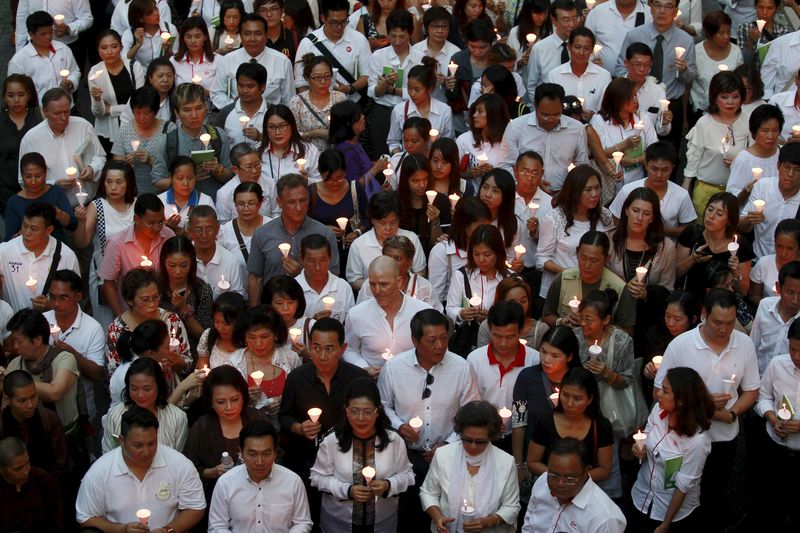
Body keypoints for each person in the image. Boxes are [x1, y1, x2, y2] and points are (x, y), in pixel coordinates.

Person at [654, 289, 760, 532]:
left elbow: (751, 390)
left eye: (730, 323)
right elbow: (659, 391)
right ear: (703, 315)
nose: (724, 330)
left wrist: (731, 414)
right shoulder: (681, 345)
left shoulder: (743, 344)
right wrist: (702, 404)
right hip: (685, 437)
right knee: (680, 491)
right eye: (717, 322)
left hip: (723, 437)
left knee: (714, 492)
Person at [378, 309, 480, 529]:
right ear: (415, 340)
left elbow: (470, 411)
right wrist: (399, 426)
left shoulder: (461, 367)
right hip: (406, 457)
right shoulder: (394, 368)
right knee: (410, 515)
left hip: (450, 456)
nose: (440, 346)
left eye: (444, 338)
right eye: (432, 340)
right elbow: (384, 406)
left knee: (445, 513)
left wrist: (448, 444)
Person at [280, 318, 368, 524]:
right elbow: (284, 416)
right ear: (310, 346)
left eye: (329, 349)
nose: (322, 355)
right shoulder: (296, 378)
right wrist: (299, 427)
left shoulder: (358, 378)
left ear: (343, 348)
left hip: (347, 458)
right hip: (306, 458)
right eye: (316, 348)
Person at [310, 377, 415, 531]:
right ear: (346, 410)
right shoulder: (332, 440)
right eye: (354, 411)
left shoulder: (393, 440)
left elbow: (408, 476)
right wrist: (347, 490)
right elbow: (317, 478)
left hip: (382, 521)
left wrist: (388, 485)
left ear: (377, 411)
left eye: (367, 412)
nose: (360, 418)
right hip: (339, 521)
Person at [78, 406, 205, 530]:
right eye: (138, 445)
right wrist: (122, 530)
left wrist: (168, 530)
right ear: (122, 441)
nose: (146, 452)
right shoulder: (99, 472)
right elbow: (86, 518)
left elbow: (195, 507)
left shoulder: (180, 464)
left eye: (151, 443)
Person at [420, 400, 520, 532]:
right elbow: (428, 492)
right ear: (460, 433)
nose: (473, 446)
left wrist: (488, 522)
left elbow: (511, 506)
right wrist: (438, 516)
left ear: (491, 437)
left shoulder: (505, 462)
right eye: (467, 440)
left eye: (480, 442)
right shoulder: (444, 454)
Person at [614, 0, 697, 152]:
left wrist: (684, 70)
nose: (662, 11)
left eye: (668, 6)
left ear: (675, 10)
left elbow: (690, 78)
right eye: (658, 5)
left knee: (668, 153)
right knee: (634, 150)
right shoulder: (635, 35)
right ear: (650, 8)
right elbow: (620, 67)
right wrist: (636, 78)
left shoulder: (685, 40)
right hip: (636, 100)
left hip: (670, 104)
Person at [247, 173, 339, 302]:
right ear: (279, 202)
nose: (299, 207)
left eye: (302, 200)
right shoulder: (262, 234)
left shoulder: (324, 234)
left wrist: (303, 272)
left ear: (309, 199)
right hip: (273, 310)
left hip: (313, 305)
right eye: (291, 202)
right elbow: (255, 277)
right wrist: (256, 313)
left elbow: (334, 275)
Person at [208, 419, 313, 531]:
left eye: (266, 454)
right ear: (241, 453)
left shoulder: (293, 481)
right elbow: (217, 526)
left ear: (275, 453)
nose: (259, 462)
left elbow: (302, 522)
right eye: (252, 454)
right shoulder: (226, 483)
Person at [511, 326, 582, 485]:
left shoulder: (580, 381)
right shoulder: (527, 377)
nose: (546, 359)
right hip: (535, 461)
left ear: (569, 356)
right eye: (543, 352)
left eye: (555, 355)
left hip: (571, 462)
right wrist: (519, 465)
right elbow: (518, 423)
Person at [467, 301, 540, 450]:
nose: (503, 343)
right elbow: (471, 400)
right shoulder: (475, 360)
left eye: (510, 337)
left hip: (521, 435)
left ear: (521, 331)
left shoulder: (534, 360)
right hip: (484, 435)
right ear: (489, 329)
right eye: (497, 336)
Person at [185, 365, 263, 501]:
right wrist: (212, 472)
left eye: (234, 400)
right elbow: (189, 469)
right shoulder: (201, 427)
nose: (229, 407)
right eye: (221, 402)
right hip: (216, 496)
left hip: (258, 493)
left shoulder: (256, 419)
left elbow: (276, 455)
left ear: (244, 397)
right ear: (211, 403)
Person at [74, 161, 137, 329]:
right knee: (108, 326)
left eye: (119, 182)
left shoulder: (137, 206)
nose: (113, 187)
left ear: (128, 183)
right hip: (105, 277)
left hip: (133, 275)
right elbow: (82, 242)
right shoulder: (98, 206)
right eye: (108, 182)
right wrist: (81, 223)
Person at [536, 166, 613, 301]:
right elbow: (541, 259)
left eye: (597, 188)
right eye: (588, 190)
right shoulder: (554, 219)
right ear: (575, 192)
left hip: (593, 291)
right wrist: (570, 274)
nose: (594, 194)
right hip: (560, 288)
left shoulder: (605, 215)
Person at [526, 366, 613, 486]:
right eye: (565, 395)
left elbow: (605, 470)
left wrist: (575, 480)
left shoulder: (601, 426)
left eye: (577, 398)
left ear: (589, 399)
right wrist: (558, 479)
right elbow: (532, 462)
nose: (569, 403)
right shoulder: (545, 421)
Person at [345, 256, 432, 375]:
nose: (377, 290)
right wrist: (363, 368)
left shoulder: (423, 311)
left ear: (399, 281)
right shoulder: (356, 314)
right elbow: (349, 349)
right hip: (372, 386)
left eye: (384, 284)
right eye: (372, 284)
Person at [521, 437, 627, 532]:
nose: (560, 483)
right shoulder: (542, 482)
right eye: (554, 475)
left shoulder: (605, 518)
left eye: (569, 478)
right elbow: (529, 525)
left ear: (586, 473)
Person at [18, 88, 105, 202]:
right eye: (57, 113)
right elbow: (22, 179)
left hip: (88, 203)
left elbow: (100, 156)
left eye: (67, 111)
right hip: (51, 206)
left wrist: (92, 168)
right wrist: (52, 185)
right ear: (44, 112)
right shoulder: (31, 139)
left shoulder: (83, 126)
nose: (64, 118)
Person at [499, 83, 589, 194]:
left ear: (562, 107)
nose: (551, 119)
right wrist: (532, 181)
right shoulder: (516, 127)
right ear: (534, 106)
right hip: (526, 193)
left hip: (563, 194)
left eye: (556, 114)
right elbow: (505, 165)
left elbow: (582, 167)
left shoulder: (577, 128)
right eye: (545, 114)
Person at [43, 270, 106, 427]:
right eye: (52, 297)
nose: (56, 304)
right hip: (45, 410)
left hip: (81, 411)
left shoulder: (93, 328)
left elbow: (97, 373)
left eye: (63, 298)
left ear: (78, 296)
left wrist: (71, 353)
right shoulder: (42, 321)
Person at [683, 72, 750, 217]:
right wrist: (685, 188)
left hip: (736, 192)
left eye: (735, 96)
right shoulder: (704, 123)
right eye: (724, 97)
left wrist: (738, 163)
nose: (730, 102)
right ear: (714, 97)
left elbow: (754, 155)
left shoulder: (748, 121)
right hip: (706, 191)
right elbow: (694, 158)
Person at [541, 230, 636, 332]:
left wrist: (601, 327)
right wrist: (561, 321)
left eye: (594, 260)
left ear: (606, 259)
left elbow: (628, 331)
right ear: (577, 252)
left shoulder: (619, 288)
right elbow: (546, 316)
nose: (587, 265)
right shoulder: (563, 279)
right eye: (583, 258)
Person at [755, 318, 800, 528]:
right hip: (776, 449)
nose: (796, 357)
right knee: (771, 504)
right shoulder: (778, 364)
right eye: (792, 349)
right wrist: (772, 418)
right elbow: (762, 397)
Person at [151, 84, 233, 199]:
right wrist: (186, 178)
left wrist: (218, 169)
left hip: (213, 204)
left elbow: (230, 176)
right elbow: (157, 182)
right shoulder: (168, 141)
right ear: (176, 113)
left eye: (199, 108)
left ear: (206, 108)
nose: (194, 115)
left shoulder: (217, 136)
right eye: (187, 110)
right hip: (179, 207)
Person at [105, 268, 191, 376]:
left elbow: (187, 363)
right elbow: (114, 371)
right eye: (145, 300)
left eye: (155, 297)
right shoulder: (117, 330)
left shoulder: (171, 321)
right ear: (130, 300)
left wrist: (178, 362)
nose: (152, 304)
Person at [99, 193, 174, 317]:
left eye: (161, 222)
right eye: (151, 223)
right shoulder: (117, 243)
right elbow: (109, 284)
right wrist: (121, 319)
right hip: (130, 312)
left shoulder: (168, 236)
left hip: (163, 310)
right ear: (136, 218)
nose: (156, 228)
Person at [0, 203, 80, 314]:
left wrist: (51, 305)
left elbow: (75, 297)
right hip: (15, 327)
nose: (27, 233)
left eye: (33, 229)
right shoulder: (4, 251)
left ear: (49, 230)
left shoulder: (66, 256)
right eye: (24, 226)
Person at [609, 142, 696, 239]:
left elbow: (688, 229)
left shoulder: (682, 195)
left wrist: (665, 231)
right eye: (654, 169)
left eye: (665, 170)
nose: (659, 175)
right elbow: (616, 221)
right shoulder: (627, 190)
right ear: (646, 165)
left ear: (672, 168)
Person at [102, 357, 189, 453]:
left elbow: (177, 458)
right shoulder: (115, 416)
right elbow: (108, 454)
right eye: (134, 389)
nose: (140, 395)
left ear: (159, 387)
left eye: (147, 389)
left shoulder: (177, 418)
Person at [675, 192, 754, 298]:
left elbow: (743, 291)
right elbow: (675, 274)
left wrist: (735, 271)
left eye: (719, 214)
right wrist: (692, 259)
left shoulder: (741, 245)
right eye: (710, 209)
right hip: (689, 299)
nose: (711, 216)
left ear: (730, 221)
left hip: (721, 305)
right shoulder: (692, 233)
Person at [230, 304, 302, 418]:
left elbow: (301, 391)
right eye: (252, 337)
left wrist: (283, 401)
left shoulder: (291, 358)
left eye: (264, 336)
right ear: (244, 337)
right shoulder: (234, 362)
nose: (258, 344)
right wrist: (244, 398)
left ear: (276, 335)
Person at [345, 191, 427, 290]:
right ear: (372, 220)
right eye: (382, 223)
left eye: (393, 222)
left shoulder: (410, 238)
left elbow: (420, 272)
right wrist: (379, 288)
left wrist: (404, 289)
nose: (388, 228)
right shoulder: (359, 244)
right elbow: (354, 280)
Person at [292, 0, 371, 103]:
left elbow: (367, 74)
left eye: (343, 22)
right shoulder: (308, 43)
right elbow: (301, 84)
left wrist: (350, 88)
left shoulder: (359, 39)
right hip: (317, 104)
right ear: (323, 18)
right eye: (334, 22)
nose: (339, 27)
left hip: (350, 104)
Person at [590, 77, 658, 187]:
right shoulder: (599, 120)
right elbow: (599, 153)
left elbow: (654, 151)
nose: (636, 100)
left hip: (637, 182)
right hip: (608, 184)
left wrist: (634, 161)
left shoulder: (642, 118)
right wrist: (625, 145)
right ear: (618, 100)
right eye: (631, 97)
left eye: (636, 96)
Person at [365, 10, 415, 157]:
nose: (397, 41)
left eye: (402, 36)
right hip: (383, 111)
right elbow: (372, 91)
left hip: (410, 111)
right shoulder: (378, 56)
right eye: (393, 36)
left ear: (410, 34)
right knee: (382, 155)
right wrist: (382, 86)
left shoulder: (419, 58)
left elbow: (421, 91)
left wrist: (392, 90)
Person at [308, 149, 369, 268]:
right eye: (330, 179)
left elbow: (368, 219)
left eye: (340, 177)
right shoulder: (312, 192)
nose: (335, 183)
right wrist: (324, 230)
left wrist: (357, 232)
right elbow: (305, 224)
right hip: (322, 255)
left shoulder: (355, 189)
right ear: (320, 174)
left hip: (352, 253)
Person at [0, 370, 68, 477]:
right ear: (8, 400)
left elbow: (60, 460)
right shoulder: (2, 424)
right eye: (22, 401)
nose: (30, 405)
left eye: (33, 397)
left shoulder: (49, 419)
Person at [739, 142, 800, 259]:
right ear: (778, 166)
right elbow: (742, 225)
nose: (790, 174)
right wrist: (749, 220)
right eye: (786, 167)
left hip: (790, 268)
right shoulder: (763, 187)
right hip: (757, 261)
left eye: (797, 169)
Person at [608, 186, 675, 289]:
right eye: (635, 210)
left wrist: (646, 295)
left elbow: (667, 290)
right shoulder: (609, 239)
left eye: (646, 214)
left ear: (652, 218)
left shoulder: (666, 247)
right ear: (626, 210)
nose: (639, 218)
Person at [89, 30, 146, 152]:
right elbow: (98, 113)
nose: (109, 52)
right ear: (99, 51)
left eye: (114, 47)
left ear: (121, 47)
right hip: (108, 132)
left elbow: (139, 103)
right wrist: (97, 99)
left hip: (133, 127)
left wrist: (111, 109)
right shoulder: (95, 72)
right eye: (104, 48)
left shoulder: (134, 67)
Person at [111, 86, 174, 195]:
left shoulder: (168, 129)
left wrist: (151, 161)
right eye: (138, 113)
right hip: (133, 193)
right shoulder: (125, 130)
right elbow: (116, 164)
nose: (142, 118)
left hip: (162, 193)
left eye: (147, 113)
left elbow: (175, 165)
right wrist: (125, 163)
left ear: (155, 111)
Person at [428, 196, 491, 304]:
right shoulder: (441, 252)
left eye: (488, 226)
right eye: (480, 227)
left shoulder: (490, 247)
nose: (484, 232)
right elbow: (435, 298)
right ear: (464, 224)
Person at [4, 152, 77, 242]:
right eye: (28, 176)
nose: (33, 181)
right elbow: (8, 241)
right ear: (22, 176)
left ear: (45, 173)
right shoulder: (14, 202)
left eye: (38, 176)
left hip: (57, 249)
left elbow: (73, 224)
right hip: (27, 252)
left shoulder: (55, 192)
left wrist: (60, 214)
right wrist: (24, 231)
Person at [8, 12, 81, 101]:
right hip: (39, 111)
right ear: (31, 34)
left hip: (66, 106)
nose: (48, 37)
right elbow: (13, 90)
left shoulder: (63, 49)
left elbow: (75, 71)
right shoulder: (19, 61)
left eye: (50, 32)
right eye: (43, 34)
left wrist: (70, 82)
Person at [157, 235, 213, 348]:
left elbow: (204, 335)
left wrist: (183, 308)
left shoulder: (202, 290)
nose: (178, 271)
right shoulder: (156, 288)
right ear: (164, 262)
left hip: (192, 350)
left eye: (183, 265)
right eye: (172, 265)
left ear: (191, 262)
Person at [357, 236, 441, 312]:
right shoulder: (370, 285)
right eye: (387, 257)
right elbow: (359, 316)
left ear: (410, 262)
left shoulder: (424, 288)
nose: (391, 262)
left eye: (398, 258)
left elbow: (437, 320)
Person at [446, 224, 509, 325]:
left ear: (498, 252)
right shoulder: (461, 275)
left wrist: (493, 318)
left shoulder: (509, 279)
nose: (481, 260)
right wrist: (461, 313)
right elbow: (450, 308)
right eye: (476, 254)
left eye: (487, 254)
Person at [388, 59, 454, 155]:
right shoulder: (399, 110)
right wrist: (399, 157)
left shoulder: (444, 110)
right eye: (409, 88)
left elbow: (449, 142)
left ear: (430, 89)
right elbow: (393, 142)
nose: (412, 93)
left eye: (417, 89)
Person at [689, 11, 744, 125]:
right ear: (710, 34)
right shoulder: (696, 52)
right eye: (721, 33)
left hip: (728, 111)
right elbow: (688, 83)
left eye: (728, 32)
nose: (726, 37)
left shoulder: (736, 52)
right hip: (700, 110)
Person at [0, 437, 63, 533]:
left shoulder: (43, 480)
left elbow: (56, 519)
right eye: (18, 469)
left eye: (27, 463)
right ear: (2, 469)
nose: (26, 471)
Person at [107, 318, 174, 407]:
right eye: (166, 346)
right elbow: (150, 410)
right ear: (150, 353)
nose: (169, 350)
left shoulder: (150, 361)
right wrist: (182, 388)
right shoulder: (130, 375)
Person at [545, 27, 611, 117]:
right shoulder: (554, 75)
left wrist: (595, 115)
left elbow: (608, 109)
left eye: (586, 48)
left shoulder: (604, 76)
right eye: (577, 47)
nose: (581, 52)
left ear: (592, 50)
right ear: (569, 46)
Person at [750, 261, 800, 375]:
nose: (795, 300)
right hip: (758, 379)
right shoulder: (764, 306)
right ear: (778, 288)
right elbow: (753, 344)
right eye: (790, 292)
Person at [0, 74, 41, 215]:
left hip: (38, 188)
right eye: (11, 95)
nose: (16, 100)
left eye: (21, 95)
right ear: (4, 97)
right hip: (6, 191)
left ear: (29, 95)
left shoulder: (39, 118)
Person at [188, 206, 247, 300]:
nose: (204, 235)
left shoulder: (231, 261)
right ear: (190, 231)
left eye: (209, 229)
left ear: (217, 229)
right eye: (198, 230)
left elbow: (237, 297)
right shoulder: (184, 257)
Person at [329, 100, 388, 193]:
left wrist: (377, 164)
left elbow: (362, 166)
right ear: (349, 123)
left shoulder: (354, 143)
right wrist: (376, 169)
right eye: (359, 116)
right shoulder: (346, 152)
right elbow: (354, 186)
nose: (363, 117)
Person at [396, 154, 451, 255]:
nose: (422, 185)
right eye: (415, 180)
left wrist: (435, 221)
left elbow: (439, 244)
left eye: (425, 179)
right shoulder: (395, 201)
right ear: (405, 180)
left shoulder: (440, 201)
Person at [290, 55, 346, 152]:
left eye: (327, 76)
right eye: (317, 78)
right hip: (306, 155)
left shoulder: (340, 98)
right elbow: (291, 134)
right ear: (307, 78)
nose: (323, 81)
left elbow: (348, 131)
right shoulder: (297, 102)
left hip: (336, 157)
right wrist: (315, 133)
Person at [456, 94, 510, 193]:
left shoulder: (507, 143)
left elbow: (511, 179)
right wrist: (467, 173)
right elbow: (452, 172)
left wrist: (493, 174)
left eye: (480, 111)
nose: (474, 115)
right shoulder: (464, 140)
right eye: (475, 111)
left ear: (493, 114)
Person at [214, 142, 278, 225]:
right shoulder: (224, 193)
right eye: (249, 167)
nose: (255, 171)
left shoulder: (271, 184)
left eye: (257, 164)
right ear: (235, 170)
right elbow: (224, 225)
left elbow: (277, 214)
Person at [257, 103, 322, 184]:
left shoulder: (309, 150)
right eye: (272, 127)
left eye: (282, 126)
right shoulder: (257, 151)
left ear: (292, 126)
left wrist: (307, 181)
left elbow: (321, 183)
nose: (277, 132)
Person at [296, 233, 355, 321]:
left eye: (323, 260)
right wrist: (310, 324)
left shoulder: (343, 287)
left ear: (330, 258)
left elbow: (351, 326)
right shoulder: (293, 288)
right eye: (312, 261)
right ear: (302, 259)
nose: (318, 267)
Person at [525, 0, 580, 95]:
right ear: (554, 20)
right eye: (566, 20)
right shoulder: (540, 48)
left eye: (575, 18)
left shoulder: (582, 47)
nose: (572, 24)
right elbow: (531, 86)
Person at [584, 0, 651, 76]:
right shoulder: (597, 12)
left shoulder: (650, 14)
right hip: (601, 79)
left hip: (638, 80)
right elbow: (586, 44)